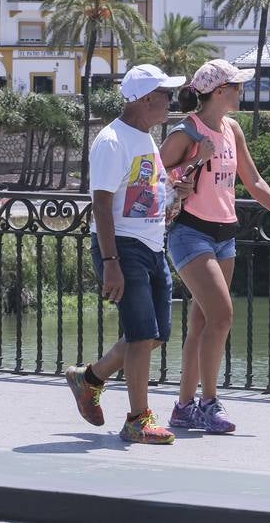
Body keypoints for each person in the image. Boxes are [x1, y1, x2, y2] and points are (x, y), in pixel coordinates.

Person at [160, 59, 270, 434]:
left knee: (202, 322)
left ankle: (182, 407)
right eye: (237, 87)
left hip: (225, 233)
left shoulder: (232, 129)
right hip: (190, 232)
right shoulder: (186, 132)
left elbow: (253, 181)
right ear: (220, 92)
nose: (242, 92)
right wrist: (195, 160)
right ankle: (209, 404)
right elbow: (153, 177)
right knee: (222, 317)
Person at [65, 63, 193, 445]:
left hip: (153, 245)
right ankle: (138, 419)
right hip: (123, 247)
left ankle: (88, 379)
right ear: (145, 99)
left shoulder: (147, 138)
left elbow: (149, 191)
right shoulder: (112, 141)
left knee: (154, 335)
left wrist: (175, 194)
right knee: (140, 336)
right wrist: (110, 263)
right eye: (165, 95)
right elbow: (101, 205)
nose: (170, 102)